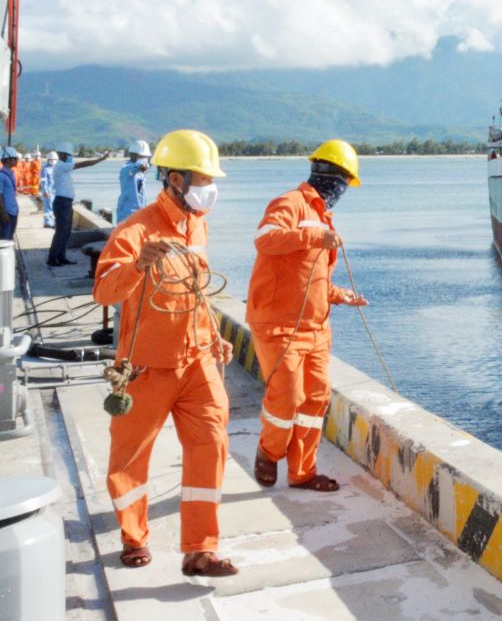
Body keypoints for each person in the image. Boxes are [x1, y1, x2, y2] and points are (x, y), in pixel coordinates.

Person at [92, 129, 236, 576]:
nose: (207, 188)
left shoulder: (198, 225)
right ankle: (134, 538)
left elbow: (196, 290)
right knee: (131, 457)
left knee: (211, 444)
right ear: (173, 179)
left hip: (197, 362)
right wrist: (138, 264)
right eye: (199, 179)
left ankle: (200, 549)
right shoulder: (134, 231)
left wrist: (215, 334)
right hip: (145, 368)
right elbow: (103, 291)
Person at [246, 139, 369, 494]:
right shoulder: (290, 204)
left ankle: (302, 471)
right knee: (287, 395)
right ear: (331, 175)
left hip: (316, 329)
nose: (343, 191)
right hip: (277, 324)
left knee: (315, 400)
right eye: (344, 182)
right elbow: (265, 239)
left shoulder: (321, 216)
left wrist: (342, 296)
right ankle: (269, 452)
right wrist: (315, 235)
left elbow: (313, 281)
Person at [46, 143, 111, 267]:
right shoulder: (61, 166)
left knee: (66, 232)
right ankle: (53, 258)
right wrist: (101, 159)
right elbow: (83, 164)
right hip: (62, 202)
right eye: (69, 155)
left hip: (66, 202)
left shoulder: (63, 167)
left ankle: (61, 256)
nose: (71, 157)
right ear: (63, 154)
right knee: (61, 232)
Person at [115, 140, 154, 224]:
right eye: (142, 156)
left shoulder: (141, 172)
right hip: (126, 215)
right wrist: (142, 165)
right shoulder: (126, 170)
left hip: (140, 213)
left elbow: (146, 165)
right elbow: (136, 167)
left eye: (145, 156)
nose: (144, 159)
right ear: (133, 155)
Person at [0, 147, 19, 241]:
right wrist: (3, 213)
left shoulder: (10, 173)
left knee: (9, 238)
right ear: (8, 159)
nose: (17, 160)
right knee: (4, 239)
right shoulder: (1, 175)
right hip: (6, 213)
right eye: (15, 158)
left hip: (13, 211)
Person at [39, 150, 56, 228]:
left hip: (55, 191)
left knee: (54, 207)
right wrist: (45, 191)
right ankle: (48, 223)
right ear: (48, 159)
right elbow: (43, 181)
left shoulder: (56, 168)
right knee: (48, 207)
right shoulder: (44, 168)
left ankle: (53, 222)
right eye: (51, 159)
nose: (52, 161)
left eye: (54, 159)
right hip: (48, 191)